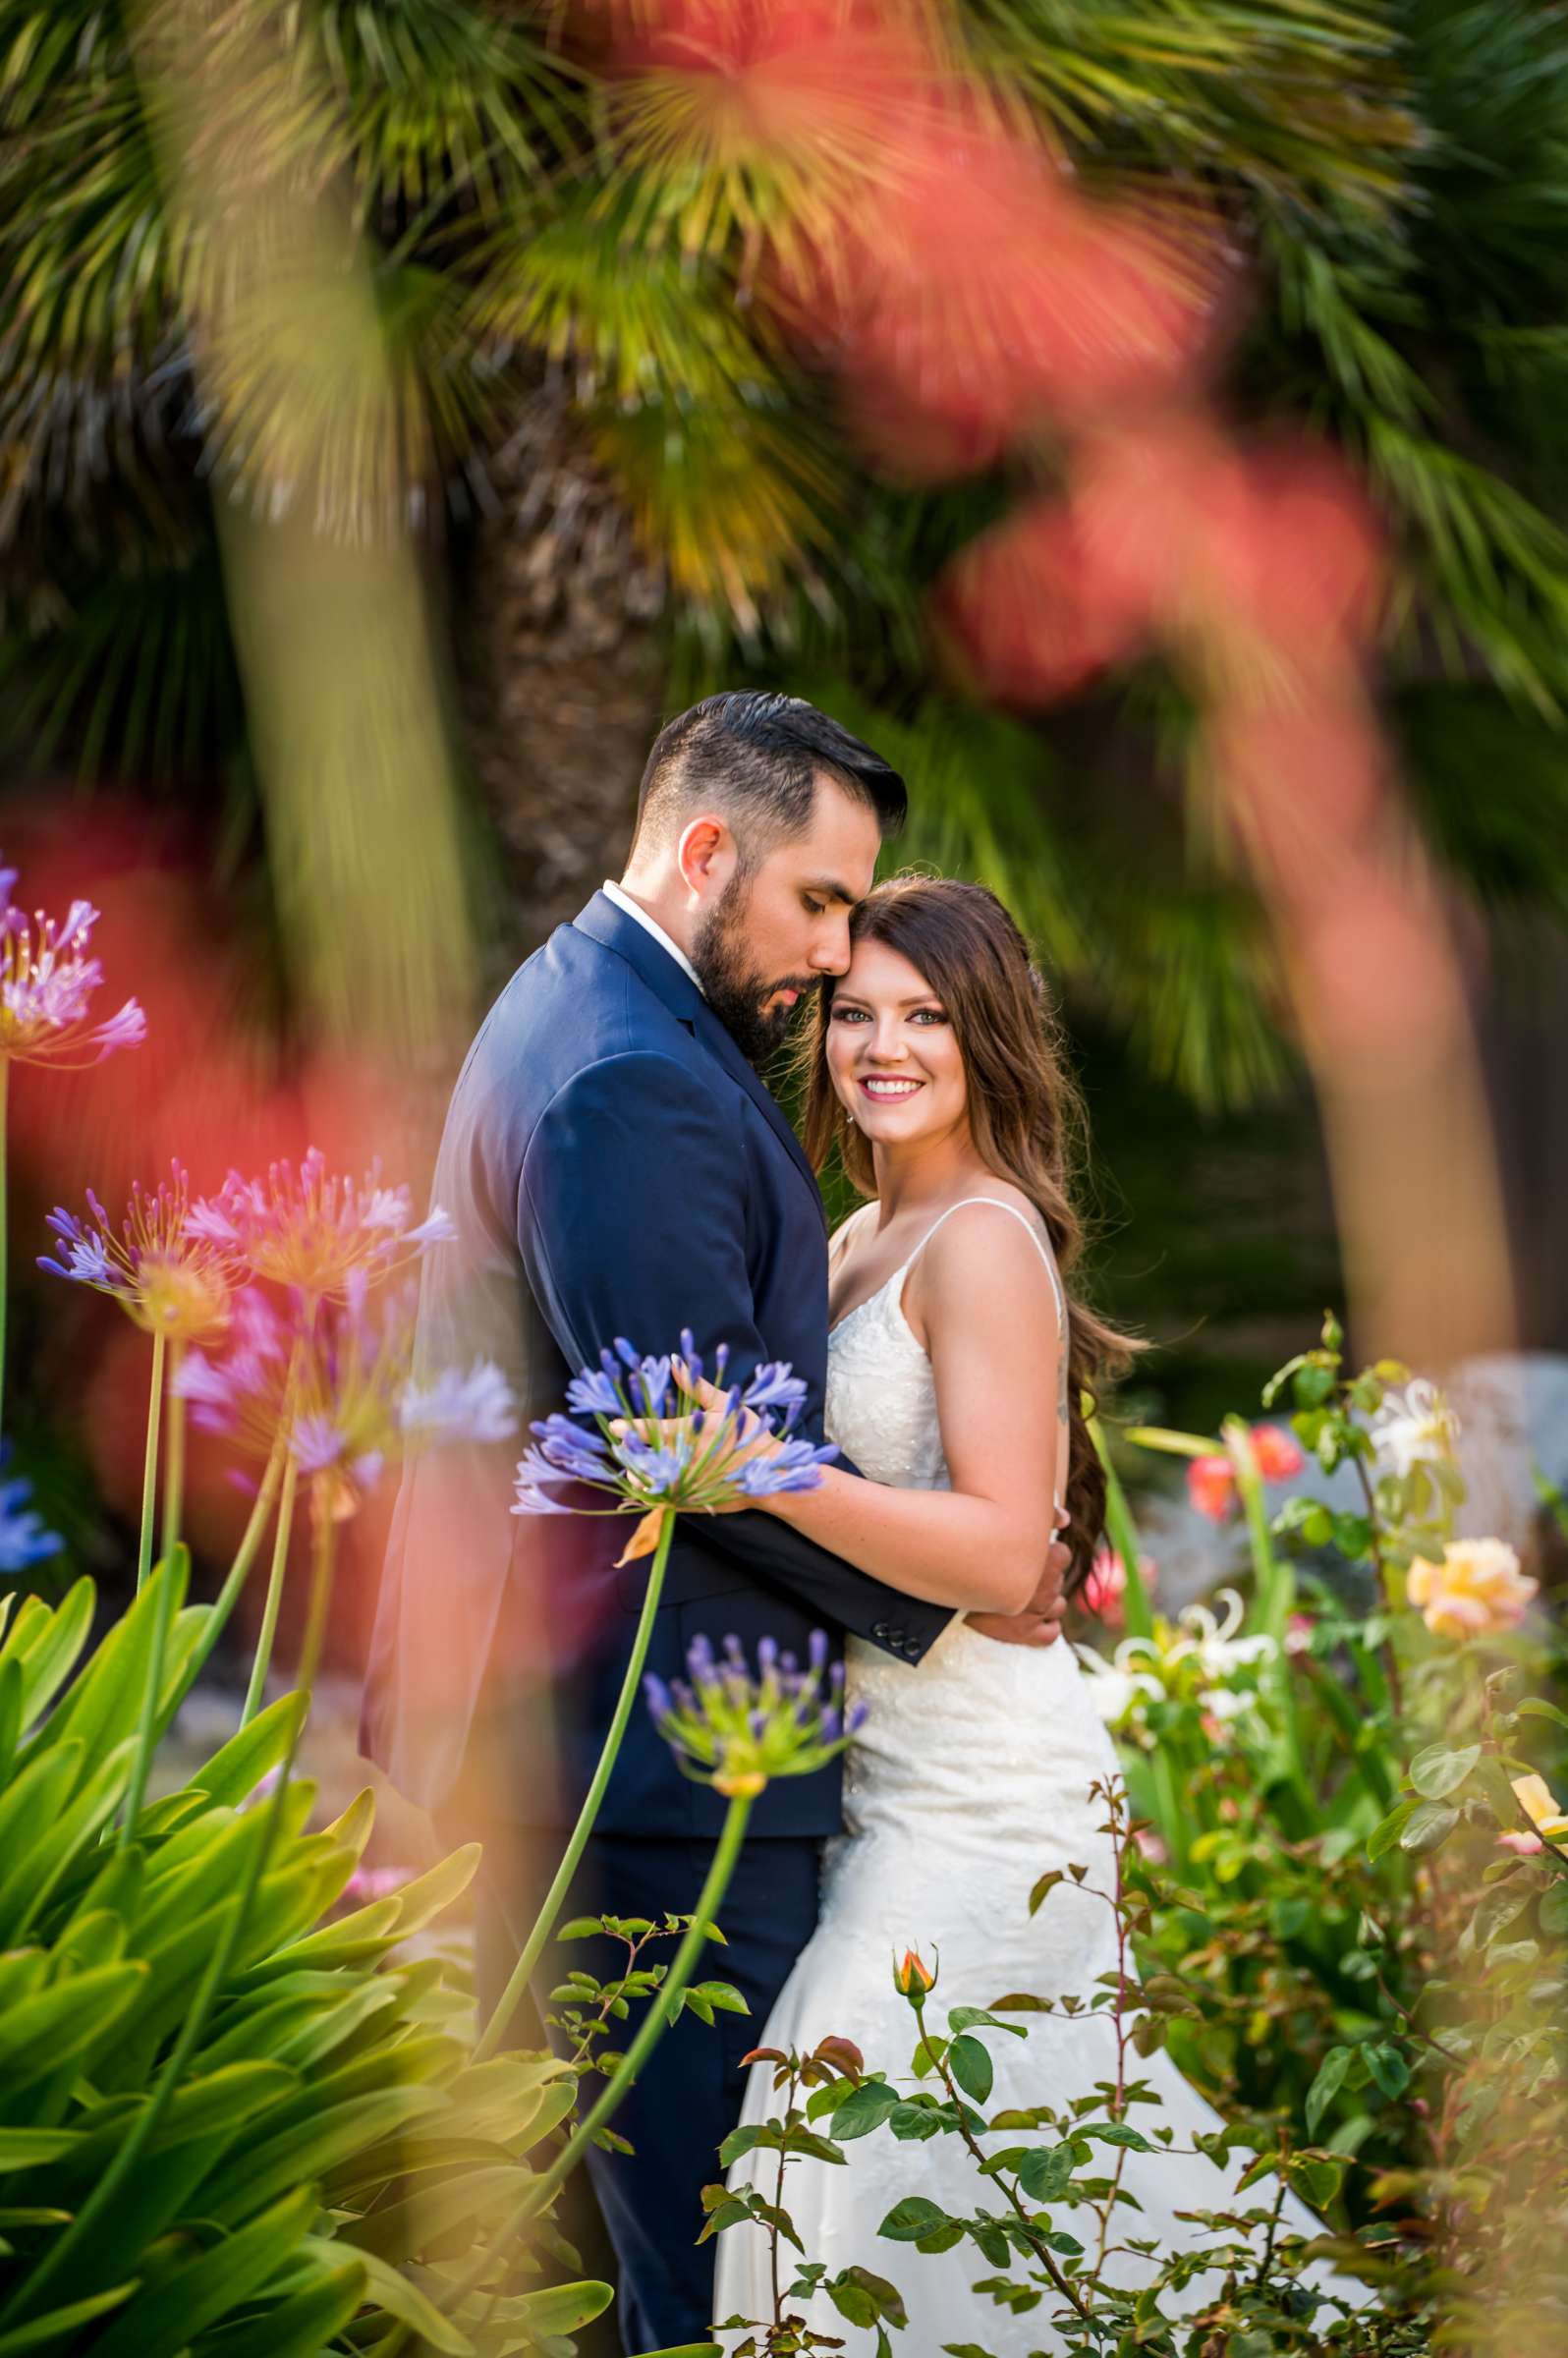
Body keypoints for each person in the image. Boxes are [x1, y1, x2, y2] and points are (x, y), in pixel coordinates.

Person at [359, 694, 1070, 2352]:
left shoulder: (577, 1005)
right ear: (703, 852)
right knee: (703, 2260)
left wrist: (980, 1553)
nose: (835, 965)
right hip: (657, 1771)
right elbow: (682, 1446)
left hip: (604, 1742)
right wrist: (968, 1581)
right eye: (821, 906)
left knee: (645, 2256)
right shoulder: (633, 1078)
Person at [709, 876, 1355, 2349]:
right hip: (890, 1777)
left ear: (986, 1034)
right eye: (854, 1013)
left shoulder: (981, 1239)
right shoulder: (857, 1233)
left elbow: (1008, 1557)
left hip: (991, 1795)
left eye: (924, 1016)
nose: (883, 1046)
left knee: (843, 2123)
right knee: (1000, 2192)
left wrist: (759, 1468)